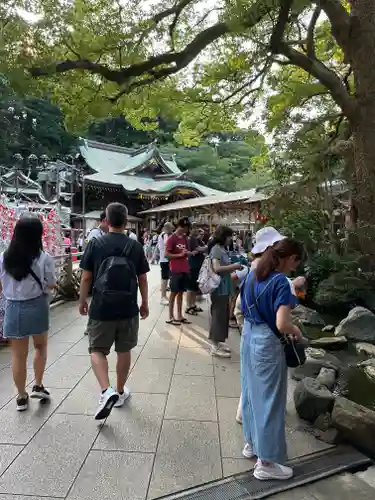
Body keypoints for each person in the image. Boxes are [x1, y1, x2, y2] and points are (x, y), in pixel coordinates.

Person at [240, 238, 304, 480]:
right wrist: (296, 331)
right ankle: (266, 463)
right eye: (296, 262)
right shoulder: (281, 283)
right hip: (267, 343)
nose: (295, 268)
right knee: (269, 400)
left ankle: (252, 444)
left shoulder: (253, 273)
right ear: (290, 258)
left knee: (250, 393)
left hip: (248, 335)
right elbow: (282, 323)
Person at [79, 203, 150, 420]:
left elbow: (86, 277)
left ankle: (105, 390)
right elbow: (143, 278)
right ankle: (119, 391)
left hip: (101, 307)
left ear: (107, 221)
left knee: (97, 349)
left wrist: (82, 299)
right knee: (124, 349)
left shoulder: (95, 243)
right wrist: (144, 303)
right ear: (126, 221)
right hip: (127, 307)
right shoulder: (135, 246)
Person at [0, 216, 56, 411]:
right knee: (40, 346)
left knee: (18, 355)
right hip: (37, 306)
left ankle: (21, 396)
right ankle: (38, 385)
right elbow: (50, 283)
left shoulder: (4, 257)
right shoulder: (43, 258)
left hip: (13, 308)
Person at [209, 226, 241, 357]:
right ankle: (214, 345)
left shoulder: (222, 249)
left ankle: (219, 341)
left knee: (223, 315)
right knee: (218, 315)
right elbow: (216, 268)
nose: (231, 239)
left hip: (225, 286)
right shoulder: (216, 249)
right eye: (229, 236)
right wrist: (234, 266)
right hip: (219, 287)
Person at [165, 217, 192, 325]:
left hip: (184, 268)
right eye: (186, 228)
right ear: (182, 226)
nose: (187, 230)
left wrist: (187, 253)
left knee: (181, 292)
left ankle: (179, 315)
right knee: (173, 293)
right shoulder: (172, 239)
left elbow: (186, 251)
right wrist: (179, 255)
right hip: (175, 269)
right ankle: (171, 316)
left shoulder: (184, 238)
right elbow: (166, 255)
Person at [186, 223, 207, 315]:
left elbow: (201, 248)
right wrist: (206, 247)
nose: (196, 230)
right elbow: (199, 249)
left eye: (197, 228)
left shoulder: (197, 239)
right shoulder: (191, 239)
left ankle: (193, 304)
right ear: (190, 229)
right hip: (192, 265)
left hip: (198, 265)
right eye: (194, 228)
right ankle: (188, 306)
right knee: (190, 287)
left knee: (195, 286)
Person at [158, 222, 174, 305]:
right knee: (164, 279)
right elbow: (167, 244)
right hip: (165, 260)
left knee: (166, 278)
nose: (172, 230)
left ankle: (164, 296)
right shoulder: (164, 235)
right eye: (171, 228)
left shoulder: (164, 234)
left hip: (166, 259)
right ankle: (162, 297)